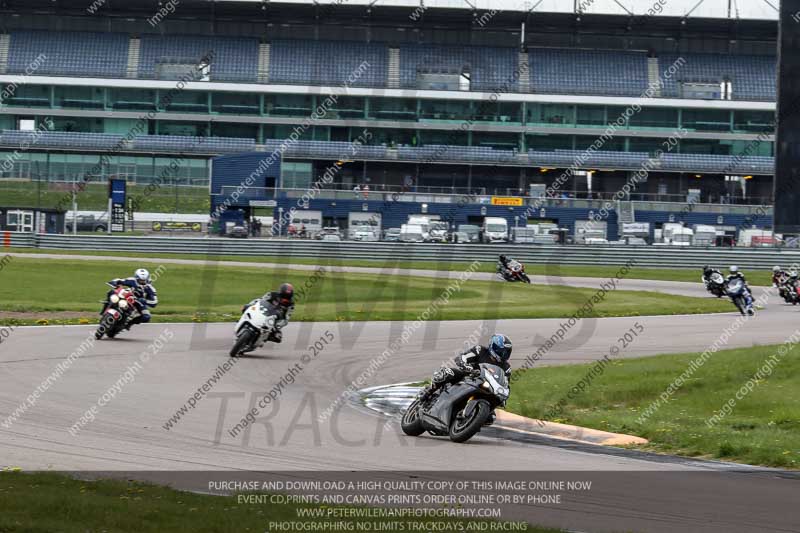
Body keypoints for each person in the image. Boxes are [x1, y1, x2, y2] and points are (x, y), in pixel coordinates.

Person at [418, 334, 513, 425]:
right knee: (448, 373)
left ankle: (470, 421)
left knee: (490, 417)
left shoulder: (506, 367)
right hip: (469, 376)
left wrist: (503, 397)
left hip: (486, 387)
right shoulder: (480, 350)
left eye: (507, 352)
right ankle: (429, 390)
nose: (504, 355)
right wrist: (466, 366)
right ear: (493, 347)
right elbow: (462, 357)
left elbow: (505, 383)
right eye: (502, 351)